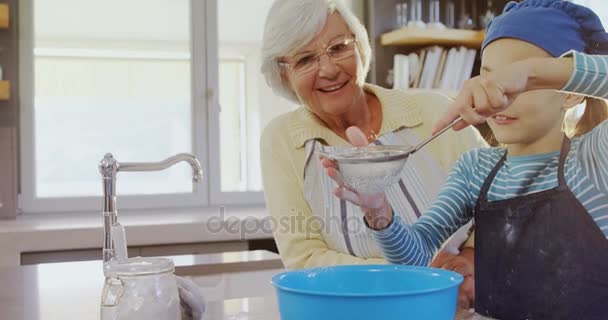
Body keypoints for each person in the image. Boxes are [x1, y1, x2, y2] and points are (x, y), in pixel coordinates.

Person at [323, 1, 608, 318]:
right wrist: (379, 213)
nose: (498, 96)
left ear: (570, 93)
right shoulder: (476, 170)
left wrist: (530, 73)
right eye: (488, 78)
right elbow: (418, 256)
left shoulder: (595, 159)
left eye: (517, 82)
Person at [259, 0, 487, 270]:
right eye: (305, 59)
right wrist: (421, 274)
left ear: (359, 45)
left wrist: (468, 262)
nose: (329, 70)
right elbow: (305, 259)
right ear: (284, 76)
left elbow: (502, 203)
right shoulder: (282, 140)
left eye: (338, 47)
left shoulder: (433, 110)